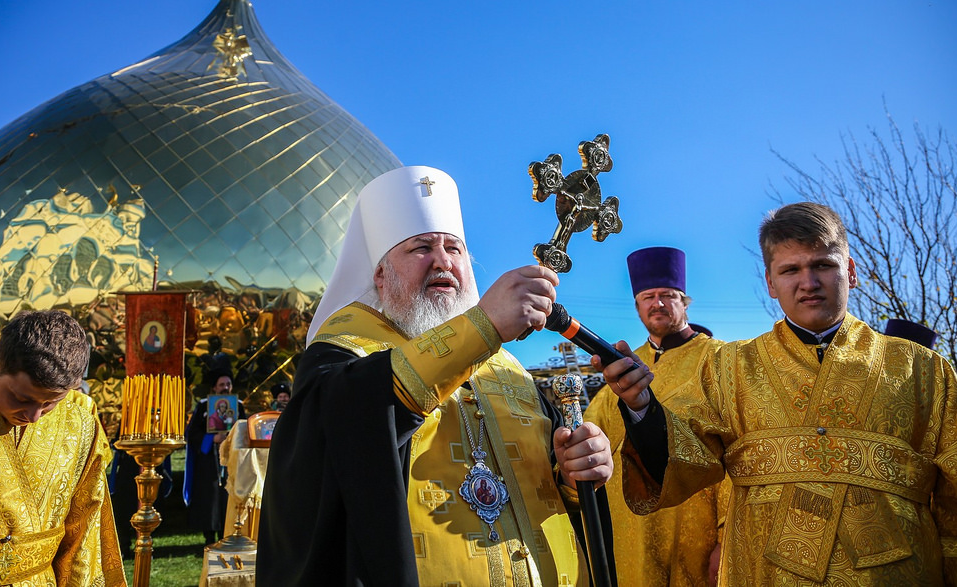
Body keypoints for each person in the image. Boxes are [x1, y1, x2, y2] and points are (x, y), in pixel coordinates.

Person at [256, 165, 614, 586]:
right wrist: (482, 327)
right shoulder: (344, 353)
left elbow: (547, 486)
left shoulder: (509, 371)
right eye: (420, 248)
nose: (442, 261)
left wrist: (573, 477)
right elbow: (339, 441)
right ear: (380, 276)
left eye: (455, 249)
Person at [599, 202, 957, 584]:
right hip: (764, 572)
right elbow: (686, 457)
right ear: (771, 283)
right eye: (790, 270)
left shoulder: (923, 369)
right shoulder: (730, 366)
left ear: (851, 271)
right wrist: (642, 406)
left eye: (823, 265)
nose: (808, 282)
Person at [0, 309, 126, 586]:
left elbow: (82, 538)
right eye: (21, 397)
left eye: (49, 404)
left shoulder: (79, 426)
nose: (33, 416)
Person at [583, 246, 726, 585]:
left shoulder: (719, 360)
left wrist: (726, 535)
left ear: (685, 302)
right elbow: (592, 438)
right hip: (626, 535)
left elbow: (737, 452)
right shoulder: (620, 369)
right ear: (637, 306)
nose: (657, 304)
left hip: (696, 533)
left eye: (667, 295)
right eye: (648, 297)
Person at [185, 369, 246, 545]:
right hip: (209, 461)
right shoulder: (204, 406)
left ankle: (226, 534)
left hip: (231, 460)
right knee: (209, 497)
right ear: (214, 388)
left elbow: (245, 429)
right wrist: (213, 438)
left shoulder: (238, 406)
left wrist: (232, 437)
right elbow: (192, 433)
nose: (225, 388)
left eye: (228, 384)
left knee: (227, 496)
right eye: (222, 385)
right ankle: (209, 537)